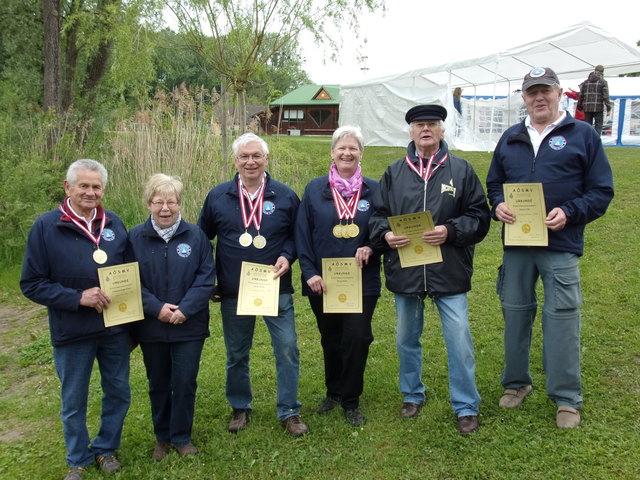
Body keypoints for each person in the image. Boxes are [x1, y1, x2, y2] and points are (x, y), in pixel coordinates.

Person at [486, 67, 614, 429]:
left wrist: (570, 212)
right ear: (523, 98)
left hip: (560, 243)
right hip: (518, 245)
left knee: (562, 317)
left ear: (560, 93)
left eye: (545, 91)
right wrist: (497, 204)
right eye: (531, 93)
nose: (539, 98)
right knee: (515, 314)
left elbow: (601, 191)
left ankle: (566, 398)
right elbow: (494, 184)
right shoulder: (511, 138)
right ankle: (516, 383)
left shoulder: (582, 135)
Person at [369, 105, 490, 435]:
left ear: (442, 130)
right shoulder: (394, 173)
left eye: (432, 124)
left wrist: (450, 231)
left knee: (459, 339)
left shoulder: (461, 171)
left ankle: (465, 405)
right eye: (419, 124)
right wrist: (386, 235)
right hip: (405, 271)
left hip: (448, 269)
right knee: (407, 338)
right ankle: (412, 394)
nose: (426, 129)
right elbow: (378, 217)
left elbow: (480, 217)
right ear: (410, 132)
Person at [20, 159, 130, 480]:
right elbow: (32, 283)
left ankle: (106, 448)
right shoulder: (46, 226)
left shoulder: (114, 224)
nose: (90, 192)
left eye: (96, 187)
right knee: (74, 399)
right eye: (83, 185)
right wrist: (77, 298)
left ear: (103, 190)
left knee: (119, 391)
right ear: (68, 187)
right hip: (72, 329)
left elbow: (129, 275)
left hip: (114, 327)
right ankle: (78, 458)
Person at [198, 133, 308, 436]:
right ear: (235, 160)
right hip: (234, 290)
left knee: (287, 348)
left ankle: (289, 410)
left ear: (266, 159)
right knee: (236, 353)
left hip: (275, 286)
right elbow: (200, 239)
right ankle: (240, 406)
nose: (250, 161)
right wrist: (211, 278)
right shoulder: (218, 196)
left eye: (256, 155)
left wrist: (288, 256)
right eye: (244, 156)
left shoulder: (285, 196)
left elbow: (298, 236)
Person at [295, 126, 381, 427]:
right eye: (341, 148)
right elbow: (302, 235)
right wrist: (309, 272)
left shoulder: (375, 189)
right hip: (323, 281)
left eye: (353, 148)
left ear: (361, 154)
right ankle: (333, 392)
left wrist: (372, 245)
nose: (347, 153)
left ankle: (351, 399)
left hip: (362, 279)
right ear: (332, 152)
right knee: (330, 338)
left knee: (357, 337)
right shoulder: (315, 189)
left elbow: (384, 228)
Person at [128, 174, 215, 460]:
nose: (165, 208)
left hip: (189, 325)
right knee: (158, 383)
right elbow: (129, 283)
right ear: (149, 204)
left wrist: (185, 310)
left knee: (185, 381)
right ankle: (162, 438)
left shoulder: (196, 236)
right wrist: (157, 309)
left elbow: (206, 278)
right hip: (152, 325)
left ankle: (181, 437)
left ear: (180, 204)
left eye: (171, 202)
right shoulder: (134, 238)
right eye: (158, 202)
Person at [578, 65, 611, 135]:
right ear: (602, 72)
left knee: (587, 126)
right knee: (598, 126)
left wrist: (579, 105)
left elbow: (581, 95)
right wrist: (608, 108)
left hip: (587, 107)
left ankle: (587, 143)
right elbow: (606, 96)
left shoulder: (586, 82)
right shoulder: (603, 82)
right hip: (598, 107)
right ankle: (596, 143)